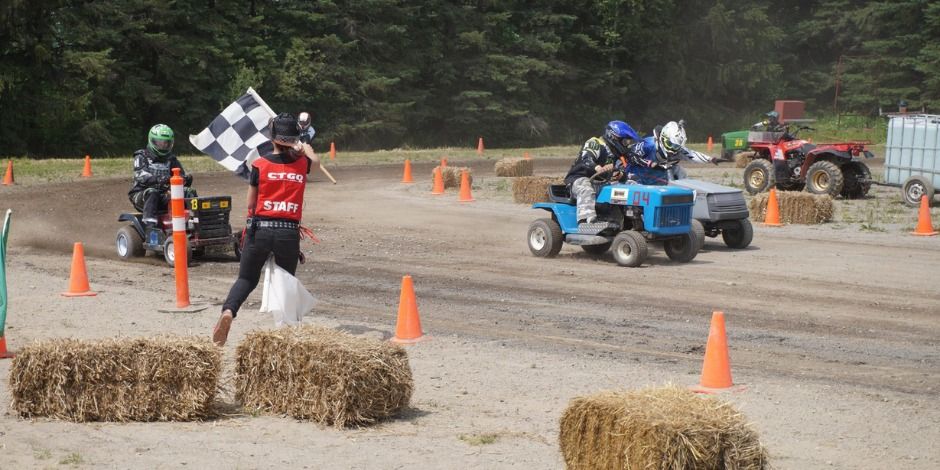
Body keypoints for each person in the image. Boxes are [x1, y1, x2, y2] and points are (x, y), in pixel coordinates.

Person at [212, 112, 320, 346]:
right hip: (288, 233)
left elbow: (251, 204)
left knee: (247, 279)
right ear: (294, 139)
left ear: (272, 139)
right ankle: (287, 335)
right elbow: (316, 160)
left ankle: (229, 312)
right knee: (286, 283)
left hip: (259, 229)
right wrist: (302, 148)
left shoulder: (259, 165)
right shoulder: (302, 164)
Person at [564, 120, 639, 224]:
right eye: (625, 141)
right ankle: (585, 221)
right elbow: (586, 159)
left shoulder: (618, 155)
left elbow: (624, 171)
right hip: (579, 179)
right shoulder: (595, 143)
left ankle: (632, 217)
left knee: (630, 185)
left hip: (602, 182)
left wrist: (621, 175)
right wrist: (598, 168)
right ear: (614, 137)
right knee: (586, 188)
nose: (627, 145)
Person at [128, 124, 194, 226]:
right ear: (152, 141)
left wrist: (185, 180)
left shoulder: (171, 159)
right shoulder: (141, 156)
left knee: (189, 192)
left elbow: (179, 175)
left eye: (166, 143)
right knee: (152, 192)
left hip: (164, 194)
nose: (163, 146)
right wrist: (158, 180)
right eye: (160, 143)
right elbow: (140, 175)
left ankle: (195, 220)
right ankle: (150, 226)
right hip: (141, 195)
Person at [624, 120, 716, 185]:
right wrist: (648, 163)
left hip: (656, 180)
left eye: (676, 146)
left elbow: (691, 155)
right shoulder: (649, 144)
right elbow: (630, 155)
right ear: (663, 138)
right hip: (636, 179)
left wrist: (711, 159)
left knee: (680, 172)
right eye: (670, 144)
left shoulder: (677, 150)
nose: (672, 149)